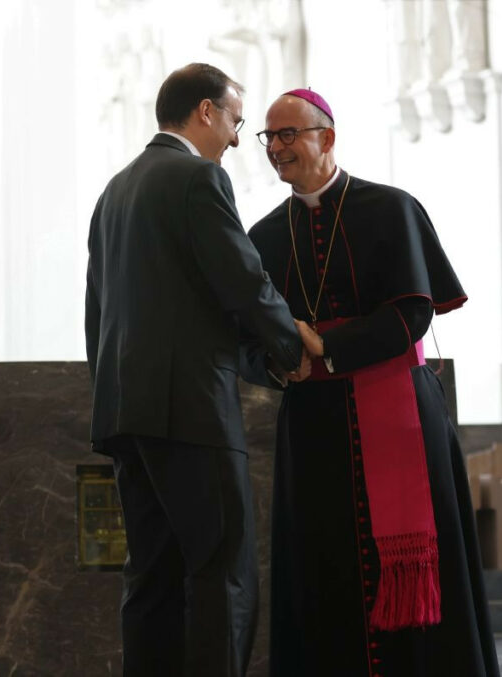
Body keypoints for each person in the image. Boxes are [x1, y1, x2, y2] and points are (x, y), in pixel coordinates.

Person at [241, 89, 500, 676]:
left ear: (326, 137)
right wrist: (280, 365)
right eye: (268, 138)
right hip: (313, 429)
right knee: (322, 568)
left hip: (399, 411)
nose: (277, 148)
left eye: (289, 135)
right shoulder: (261, 237)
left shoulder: (390, 209)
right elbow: (244, 345)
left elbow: (413, 313)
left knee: (420, 573)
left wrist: (327, 347)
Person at [85, 64, 310, 677]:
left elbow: (97, 313)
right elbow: (240, 279)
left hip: (126, 413)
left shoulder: (115, 190)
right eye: (237, 121)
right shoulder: (197, 178)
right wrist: (292, 347)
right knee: (223, 572)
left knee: (151, 575)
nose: (239, 139)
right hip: (190, 410)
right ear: (206, 112)